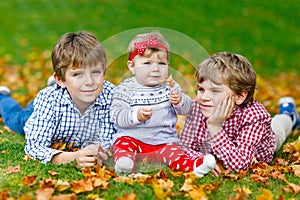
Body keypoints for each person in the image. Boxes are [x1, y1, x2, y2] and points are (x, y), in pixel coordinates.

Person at [1, 31, 115, 168]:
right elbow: (35, 147)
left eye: (95, 72)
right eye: (78, 74)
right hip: (40, 112)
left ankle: (65, 83)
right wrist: (73, 157)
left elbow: (112, 138)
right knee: (14, 119)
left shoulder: (112, 96)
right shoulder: (48, 100)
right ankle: (2, 97)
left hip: (65, 94)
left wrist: (101, 151)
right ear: (60, 80)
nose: (89, 82)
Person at [110, 31, 216, 177]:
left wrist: (180, 101)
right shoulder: (125, 88)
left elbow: (187, 109)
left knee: (175, 152)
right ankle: (124, 163)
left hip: (163, 142)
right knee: (122, 142)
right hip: (133, 139)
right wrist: (136, 115)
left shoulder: (170, 87)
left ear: (168, 65)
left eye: (161, 63)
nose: (155, 68)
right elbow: (116, 115)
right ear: (132, 66)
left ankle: (194, 166)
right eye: (147, 63)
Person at [179, 51, 300, 175]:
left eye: (215, 91)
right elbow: (182, 147)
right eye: (201, 89)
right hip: (227, 148)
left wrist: (215, 127)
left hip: (263, 143)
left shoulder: (255, 117)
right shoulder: (199, 107)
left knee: (280, 127)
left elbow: (241, 164)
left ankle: (289, 115)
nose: (204, 97)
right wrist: (202, 160)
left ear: (240, 96)